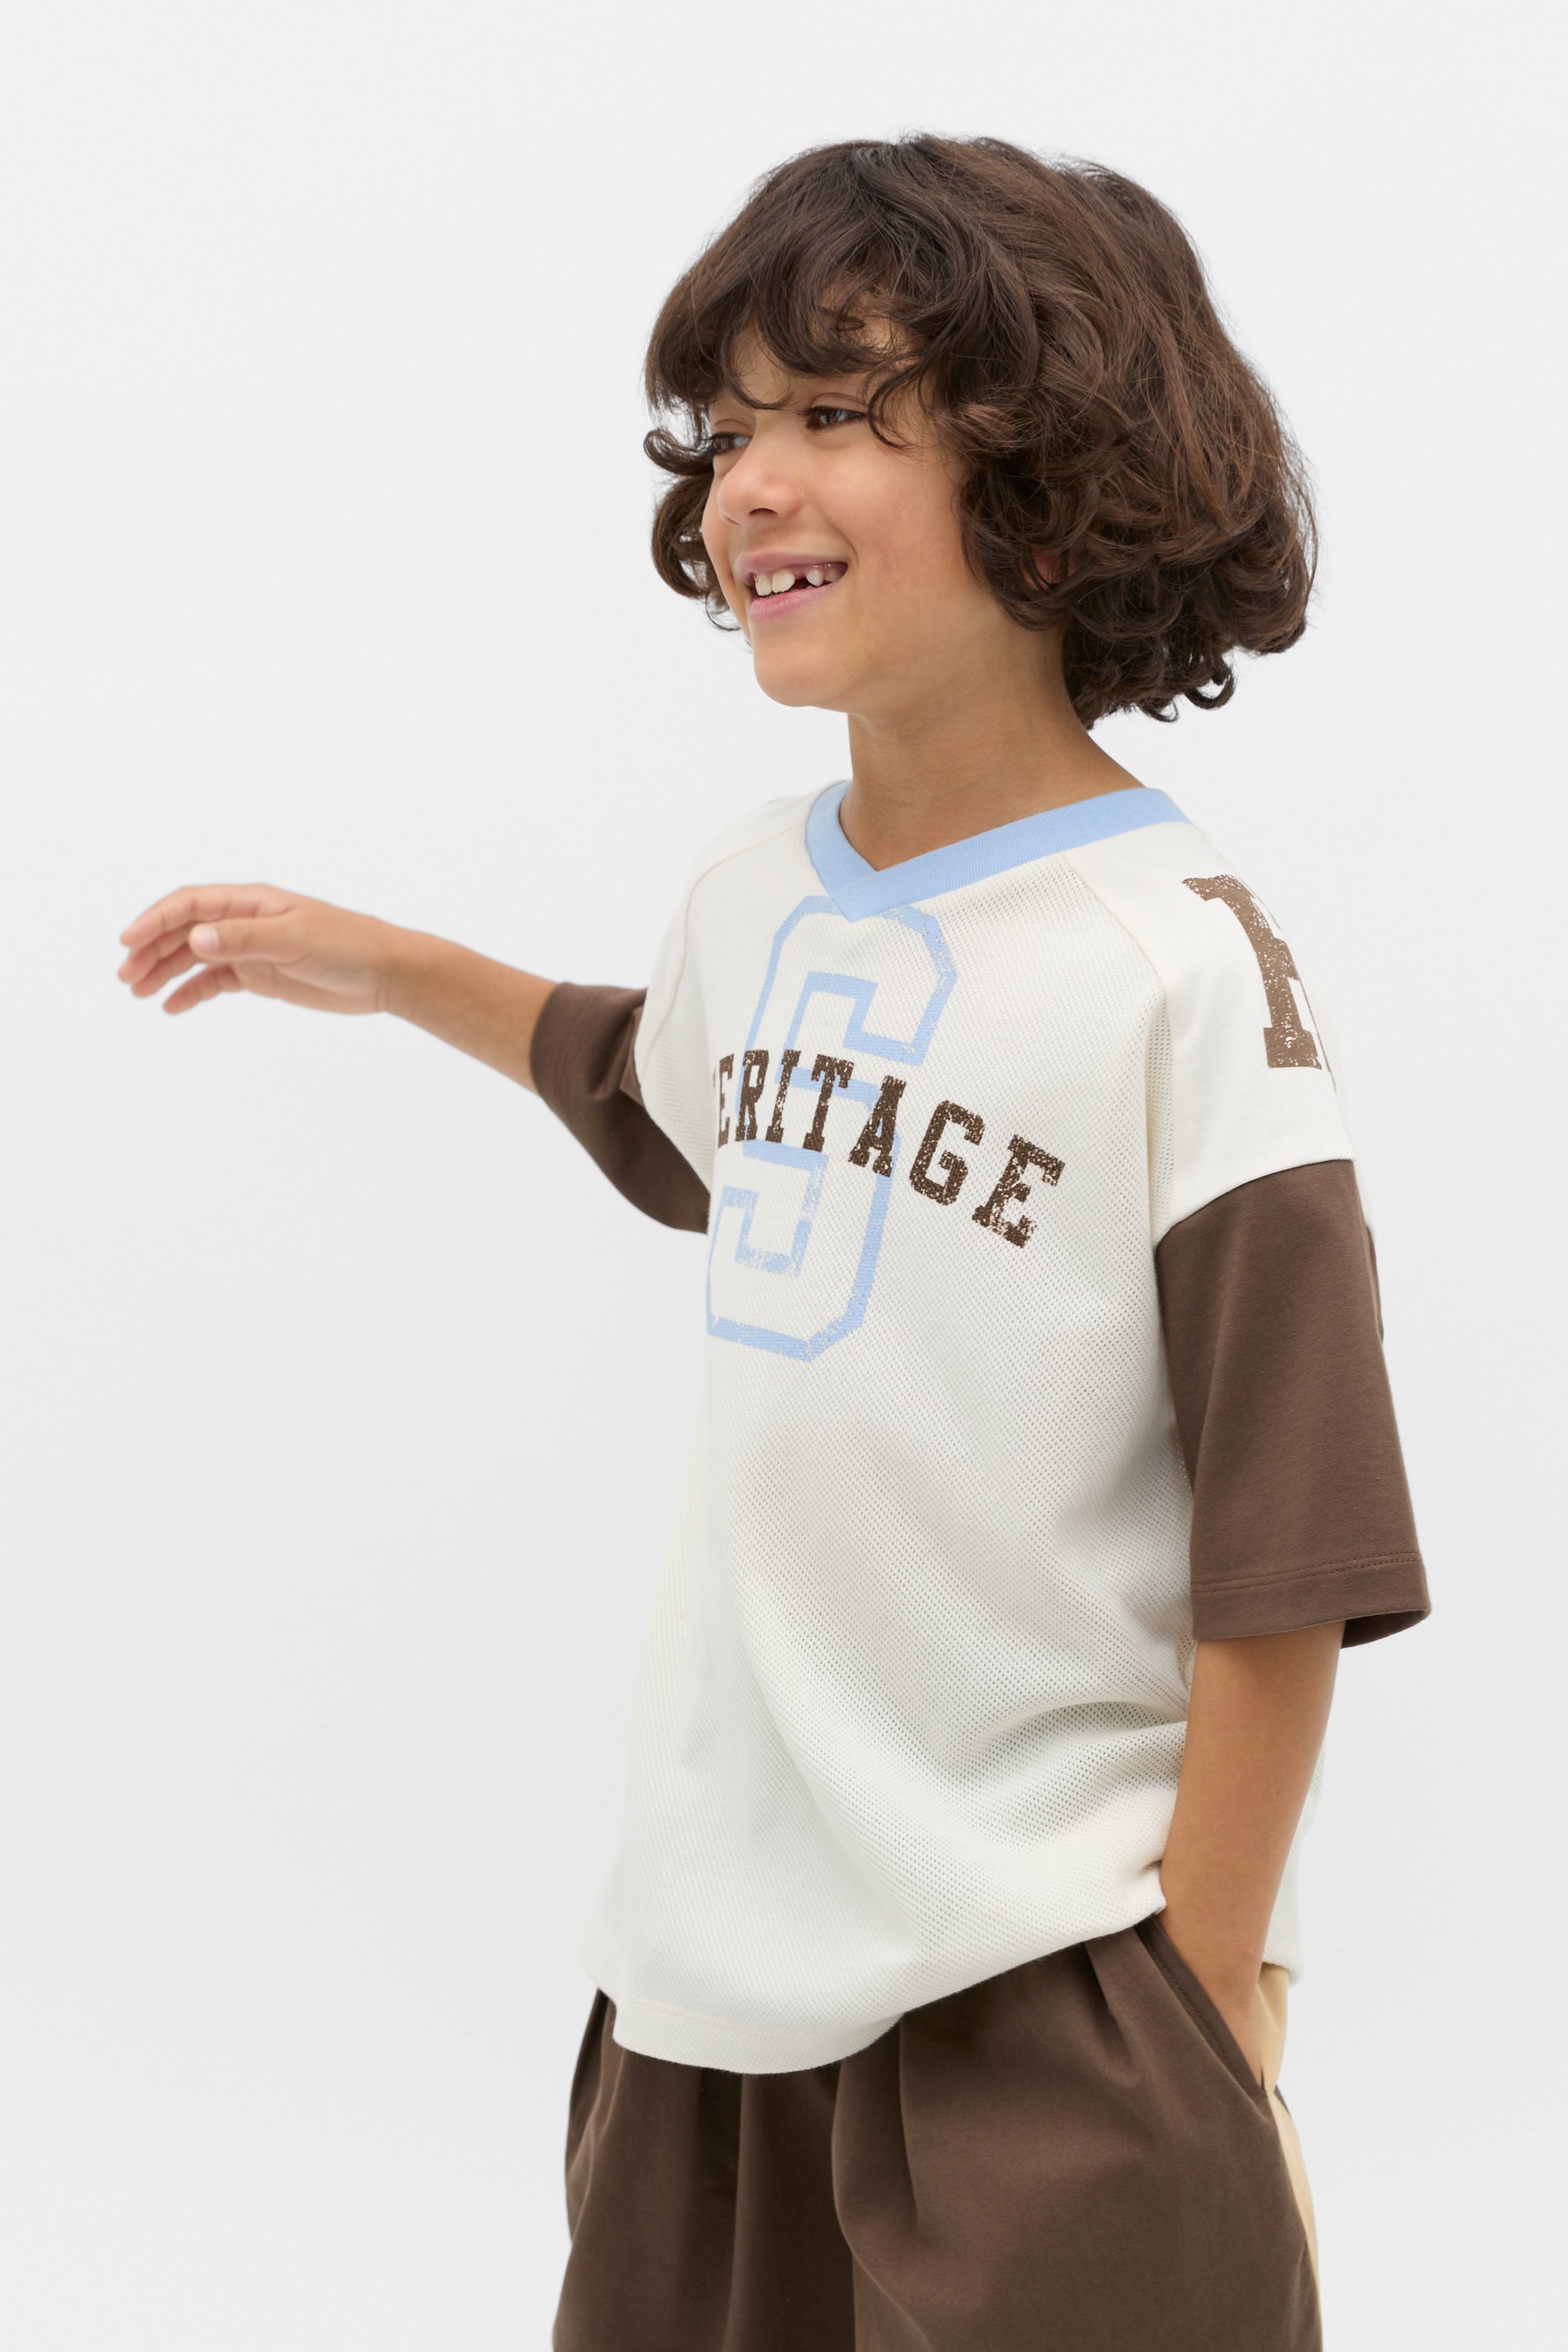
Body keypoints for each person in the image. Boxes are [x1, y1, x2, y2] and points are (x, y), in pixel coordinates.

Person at [117, 134, 1430, 2351]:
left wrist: (1198, 2007)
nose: (752, 485)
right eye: (728, 430)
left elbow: (1292, 1542)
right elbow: (665, 1095)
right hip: (704, 1990)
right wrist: (393, 967)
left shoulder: (1178, 965)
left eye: (835, 413)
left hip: (1049, 1992)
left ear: (1052, 476)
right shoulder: (756, 891)